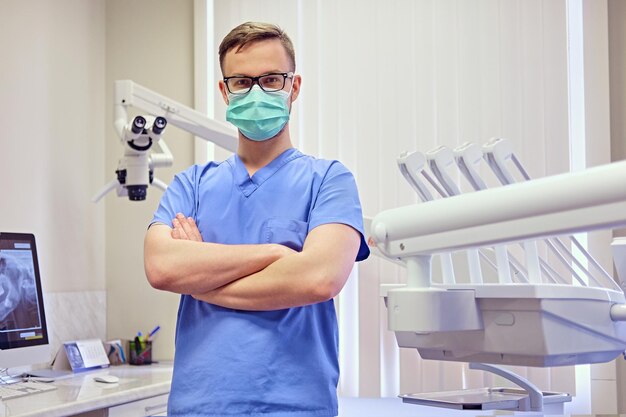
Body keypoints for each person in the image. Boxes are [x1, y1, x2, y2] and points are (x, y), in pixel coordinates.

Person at [144, 21, 370, 417]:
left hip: (294, 406)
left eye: (270, 79)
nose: (256, 92)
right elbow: (162, 268)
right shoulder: (192, 185)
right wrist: (276, 254)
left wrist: (201, 281)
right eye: (242, 82)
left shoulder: (329, 180)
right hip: (197, 406)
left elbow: (319, 279)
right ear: (224, 91)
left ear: (293, 87)